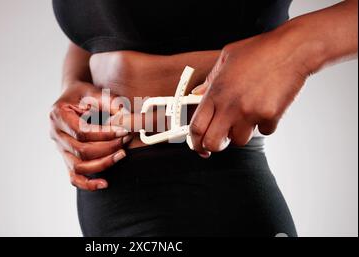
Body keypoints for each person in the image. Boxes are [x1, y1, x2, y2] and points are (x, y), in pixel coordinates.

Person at [50, 0, 358, 236]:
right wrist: (73, 83)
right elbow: (99, 29)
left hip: (209, 191)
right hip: (109, 207)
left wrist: (296, 47)